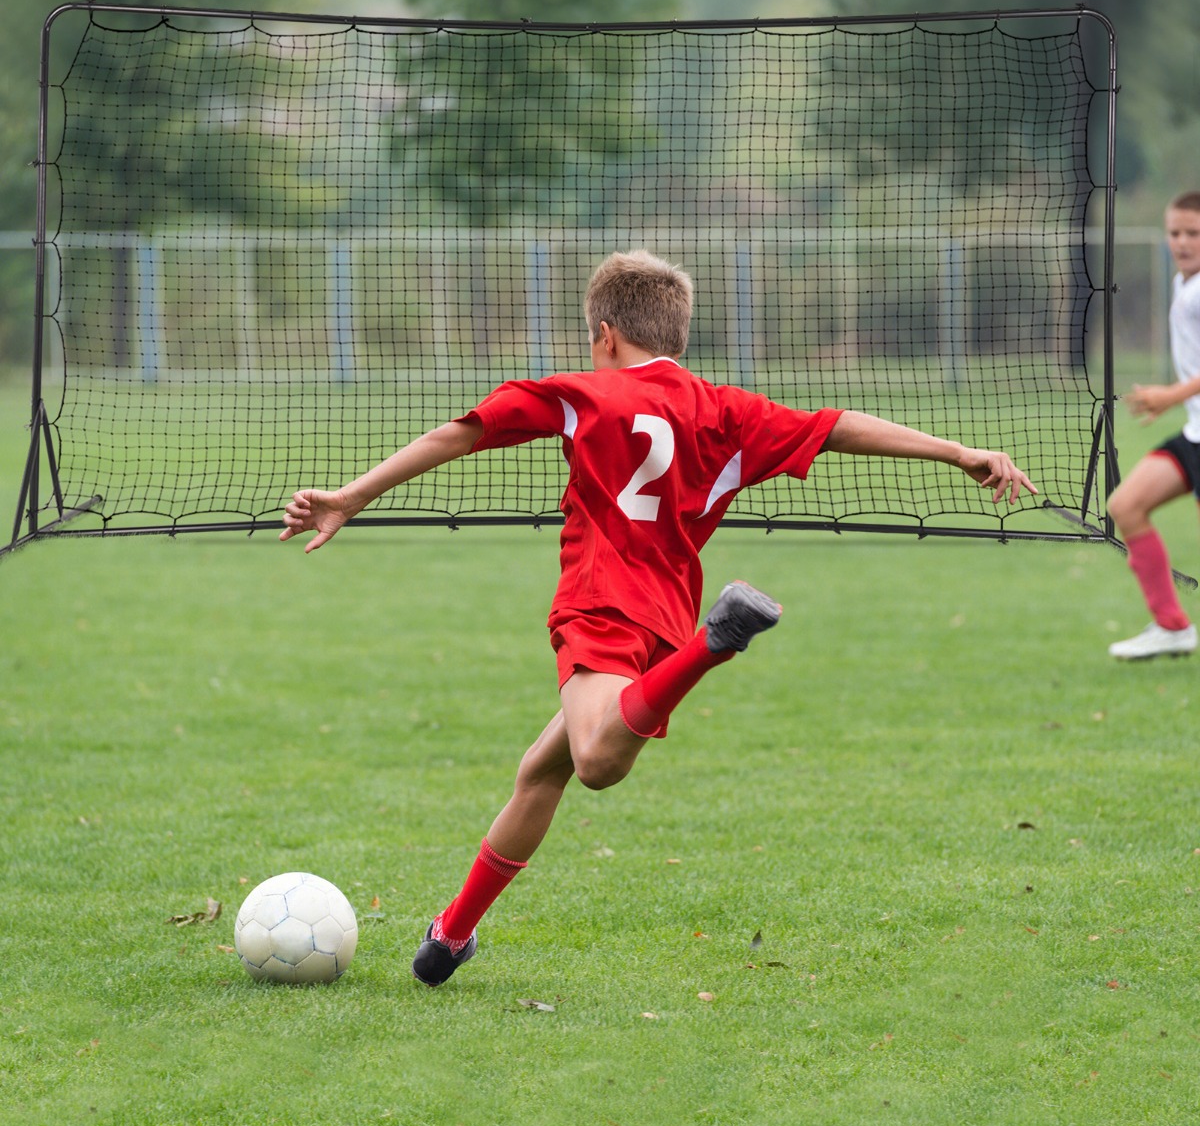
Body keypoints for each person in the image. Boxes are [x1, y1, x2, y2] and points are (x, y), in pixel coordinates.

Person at [280, 249, 1037, 986]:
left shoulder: (583, 392)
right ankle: (451, 934)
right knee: (539, 772)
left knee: (596, 762)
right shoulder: (728, 409)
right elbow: (837, 425)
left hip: (602, 603)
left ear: (605, 334)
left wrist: (354, 494)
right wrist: (957, 451)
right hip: (658, 622)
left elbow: (463, 431)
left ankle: (719, 641)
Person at [1107, 191, 1200, 660]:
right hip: (1194, 436)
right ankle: (1172, 625)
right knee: (1127, 505)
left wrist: (1170, 395)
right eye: (1175, 232)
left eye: (1193, 233)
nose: (1182, 242)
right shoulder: (1187, 284)